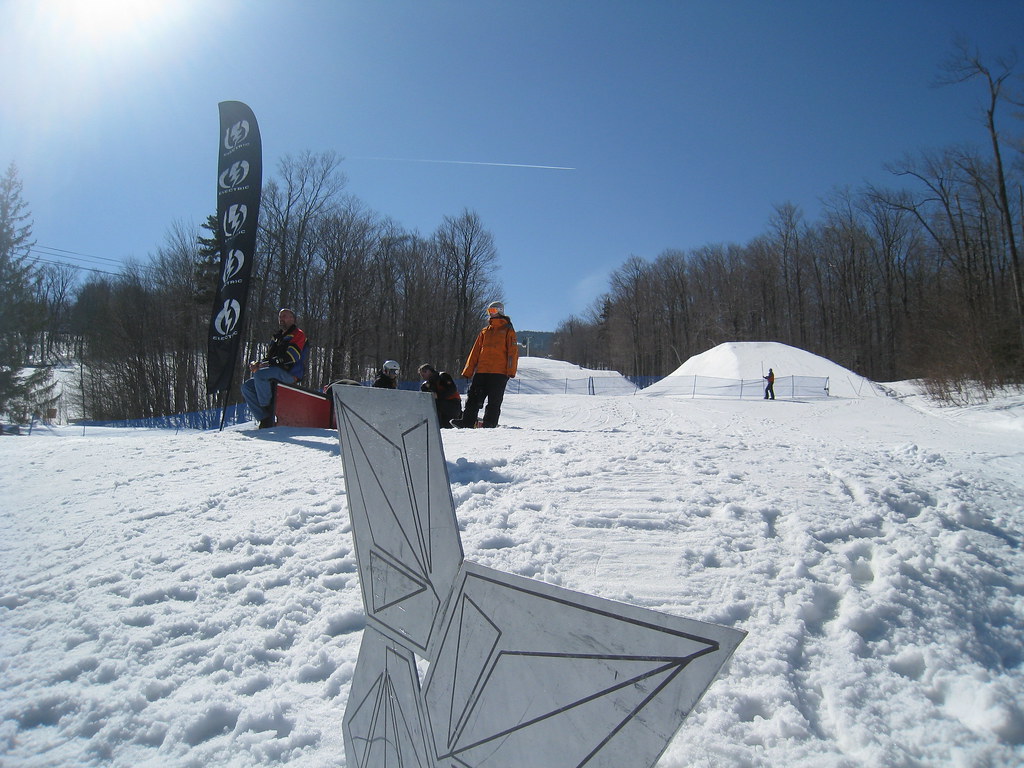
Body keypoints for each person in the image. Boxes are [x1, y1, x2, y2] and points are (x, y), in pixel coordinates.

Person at [452, 301, 518, 428]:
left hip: (499, 372)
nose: (490, 314)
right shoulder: (484, 331)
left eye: (492, 311)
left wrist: (510, 370)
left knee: (494, 400)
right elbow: (475, 351)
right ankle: (467, 421)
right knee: (473, 397)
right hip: (482, 370)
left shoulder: (508, 330)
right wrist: (468, 370)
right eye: (489, 311)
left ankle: (490, 423)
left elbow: (513, 353)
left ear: (500, 311)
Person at [242, 308, 307, 428]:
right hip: (273, 373)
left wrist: (267, 364)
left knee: (260, 375)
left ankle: (268, 409)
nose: (281, 319)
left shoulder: (298, 334)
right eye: (280, 317)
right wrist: (258, 364)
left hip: (290, 373)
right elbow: (269, 357)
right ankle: (264, 418)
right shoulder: (276, 336)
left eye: (285, 316)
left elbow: (291, 357)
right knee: (247, 386)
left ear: (292, 319)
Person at [418, 363, 462, 428]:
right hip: (439, 407)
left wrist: (438, 395)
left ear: (429, 371)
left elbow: (452, 389)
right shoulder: (425, 385)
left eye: (423, 374)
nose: (422, 376)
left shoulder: (443, 376)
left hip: (453, 403)